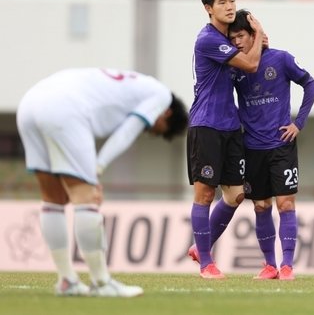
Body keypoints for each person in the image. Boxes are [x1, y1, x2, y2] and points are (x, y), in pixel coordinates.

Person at [16, 68, 188, 297]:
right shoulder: (161, 96)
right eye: (156, 130)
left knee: (53, 199)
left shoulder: (135, 85)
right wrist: (97, 168)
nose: (150, 131)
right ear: (167, 113)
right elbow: (126, 133)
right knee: (85, 197)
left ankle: (67, 280)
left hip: (29, 103)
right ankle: (101, 282)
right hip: (64, 108)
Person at [228, 9, 314, 280]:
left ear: (254, 35)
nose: (237, 43)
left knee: (286, 205)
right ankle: (270, 266)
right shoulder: (235, 67)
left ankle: (287, 265)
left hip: (281, 146)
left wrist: (298, 123)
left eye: (241, 36)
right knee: (260, 207)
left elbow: (310, 85)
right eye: (232, 38)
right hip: (252, 147)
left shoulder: (280, 59)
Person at [186, 0, 266, 280]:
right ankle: (207, 263)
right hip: (206, 124)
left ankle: (199, 247)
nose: (230, 5)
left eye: (232, 0)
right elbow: (251, 64)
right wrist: (258, 34)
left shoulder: (227, 41)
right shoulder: (208, 39)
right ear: (209, 9)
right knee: (204, 195)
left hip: (230, 126)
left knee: (234, 196)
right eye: (222, 2)